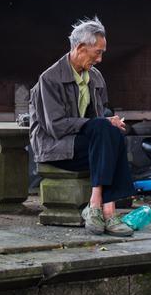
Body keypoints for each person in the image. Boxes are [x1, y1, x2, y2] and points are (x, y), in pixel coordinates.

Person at [29, 17, 134, 236]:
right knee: (106, 131)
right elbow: (55, 127)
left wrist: (109, 121)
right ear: (80, 48)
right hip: (55, 148)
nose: (100, 59)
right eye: (97, 52)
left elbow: (99, 117)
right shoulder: (49, 79)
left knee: (113, 134)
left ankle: (100, 207)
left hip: (86, 145)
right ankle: (106, 209)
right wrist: (103, 123)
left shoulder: (95, 77)